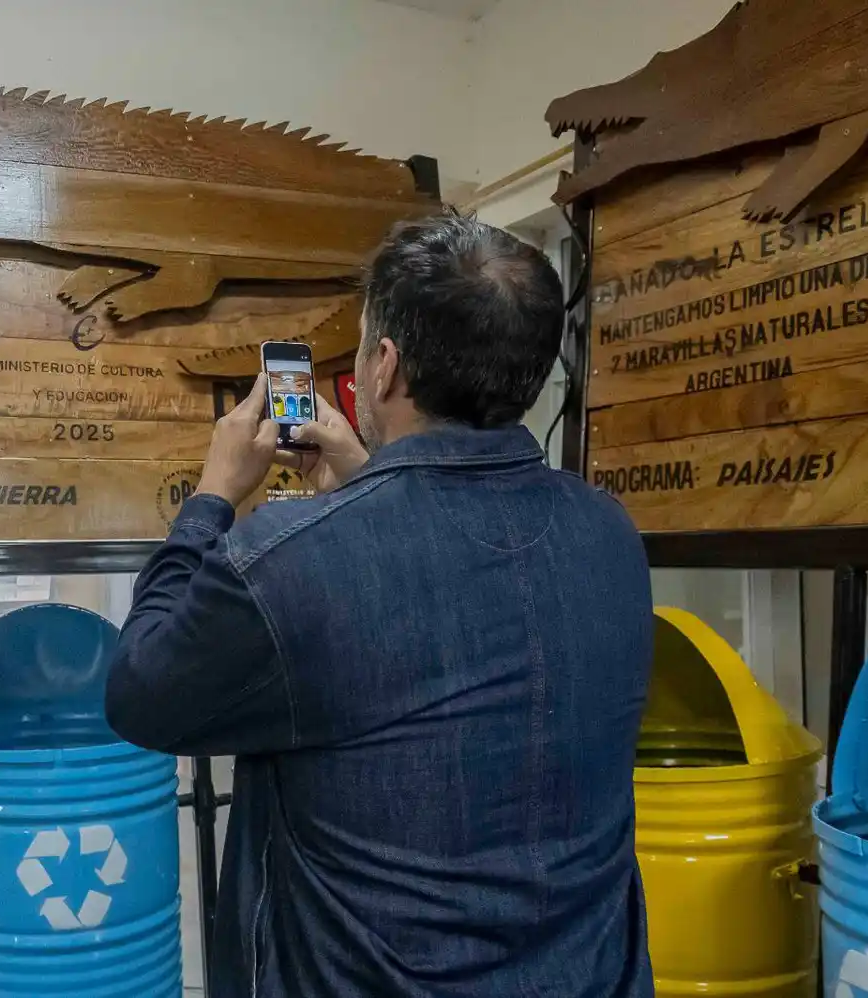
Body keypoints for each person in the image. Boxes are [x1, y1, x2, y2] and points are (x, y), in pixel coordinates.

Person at [105, 214, 655, 998]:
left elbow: (141, 695)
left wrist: (211, 498)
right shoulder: (609, 533)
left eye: (365, 346)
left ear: (386, 366)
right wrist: (368, 486)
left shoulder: (286, 562)